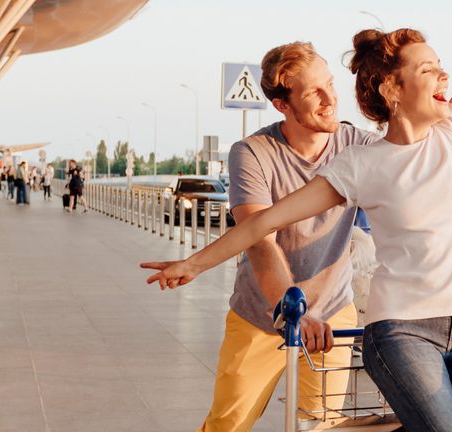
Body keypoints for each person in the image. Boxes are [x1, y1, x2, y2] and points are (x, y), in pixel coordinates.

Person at [143, 1, 452, 430]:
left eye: (440, 66)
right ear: (392, 90)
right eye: (427, 70)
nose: (444, 75)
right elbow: (263, 226)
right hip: (399, 330)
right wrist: (192, 264)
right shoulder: (359, 162)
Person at [160, 41, 379, 432]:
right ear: (282, 104)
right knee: (229, 424)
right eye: (313, 91)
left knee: (322, 424)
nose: (330, 99)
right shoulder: (254, 152)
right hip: (262, 316)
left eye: (330, 84)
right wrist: (293, 310)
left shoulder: (357, 146)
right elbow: (260, 241)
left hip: (331, 314)